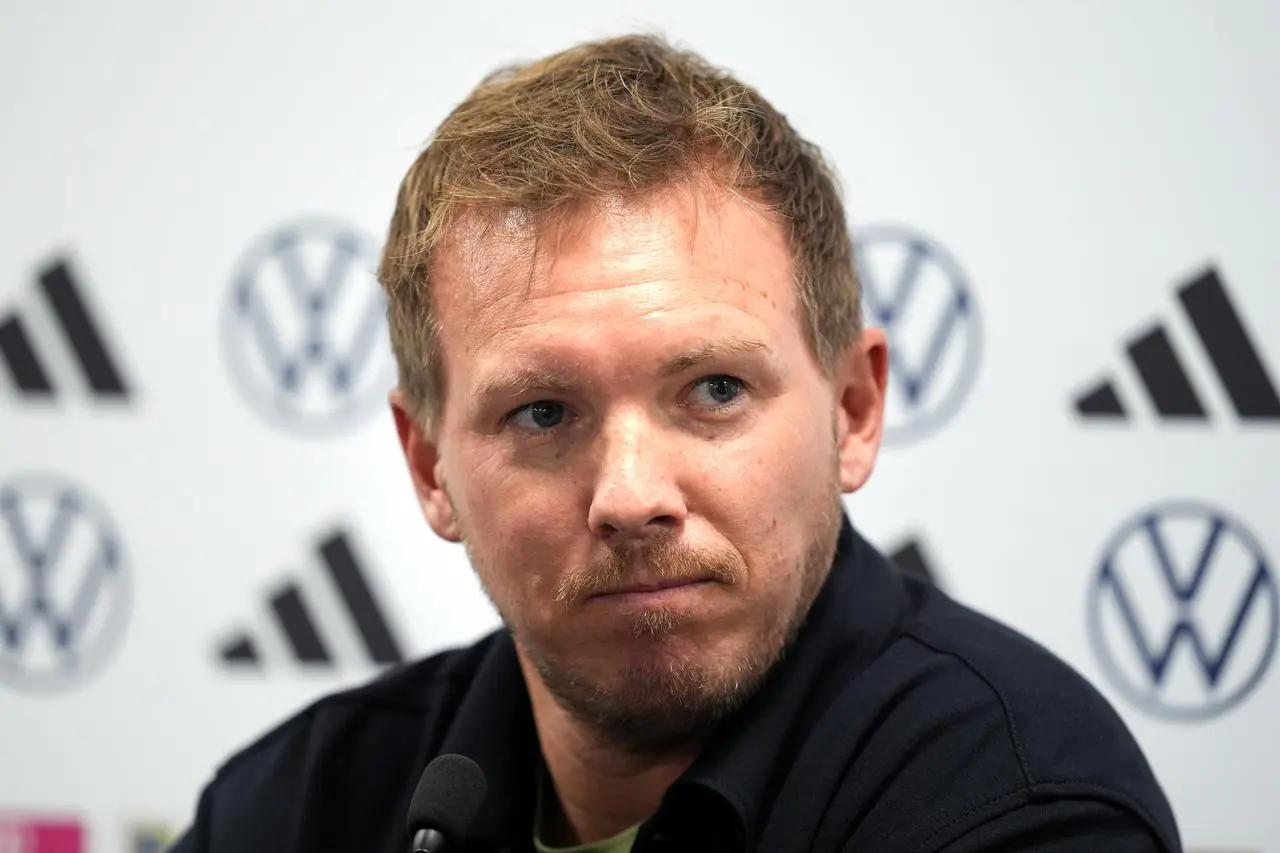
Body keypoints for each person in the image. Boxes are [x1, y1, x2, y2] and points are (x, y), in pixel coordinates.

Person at [171, 33, 1181, 853]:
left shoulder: (1016, 807)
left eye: (712, 389)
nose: (629, 494)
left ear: (851, 410)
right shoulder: (297, 806)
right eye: (541, 413)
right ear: (430, 466)